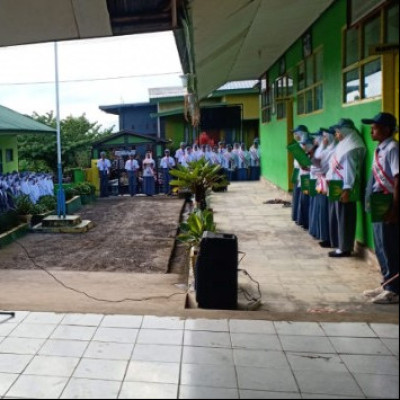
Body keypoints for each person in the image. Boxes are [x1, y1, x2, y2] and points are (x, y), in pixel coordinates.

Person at [362, 112, 399, 304]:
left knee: (390, 245)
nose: (371, 130)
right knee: (380, 245)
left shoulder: (393, 148)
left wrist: (395, 209)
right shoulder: (381, 149)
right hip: (378, 203)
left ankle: (394, 289)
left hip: (387, 202)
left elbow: (398, 179)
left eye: (374, 127)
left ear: (386, 129)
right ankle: (387, 283)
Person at [326, 118, 366, 258]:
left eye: (337, 132)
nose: (336, 135)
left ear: (345, 130)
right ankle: (342, 246)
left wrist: (347, 189)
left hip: (344, 188)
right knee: (341, 217)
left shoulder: (350, 147)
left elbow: (349, 170)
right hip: (339, 186)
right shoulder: (345, 144)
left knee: (345, 218)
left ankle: (344, 248)